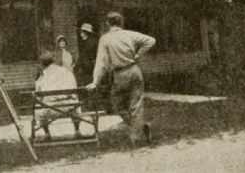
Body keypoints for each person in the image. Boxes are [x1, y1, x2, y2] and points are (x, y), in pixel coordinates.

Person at [86, 12, 156, 147]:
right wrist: (138, 55)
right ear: (121, 22)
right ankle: (140, 128)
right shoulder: (129, 34)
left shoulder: (105, 39)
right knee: (136, 104)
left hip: (120, 74)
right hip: (134, 70)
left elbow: (101, 63)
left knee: (118, 106)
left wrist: (96, 81)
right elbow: (151, 40)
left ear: (108, 23)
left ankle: (135, 138)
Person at [35, 51, 81, 141]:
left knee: (38, 107)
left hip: (50, 109)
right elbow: (74, 88)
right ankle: (77, 130)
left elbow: (38, 96)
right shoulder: (66, 71)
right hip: (71, 107)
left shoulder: (43, 75)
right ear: (53, 61)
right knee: (75, 102)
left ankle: (47, 133)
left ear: (42, 63)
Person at [75, 23, 97, 87]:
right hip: (85, 67)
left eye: (81, 32)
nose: (80, 34)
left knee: (89, 83)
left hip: (90, 68)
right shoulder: (84, 42)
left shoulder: (91, 42)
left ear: (85, 32)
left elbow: (87, 56)